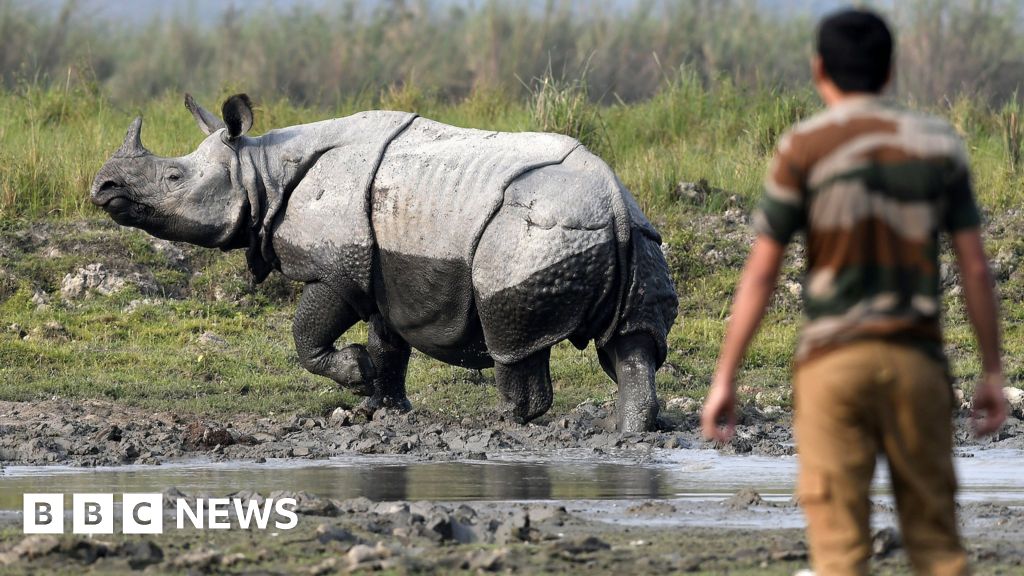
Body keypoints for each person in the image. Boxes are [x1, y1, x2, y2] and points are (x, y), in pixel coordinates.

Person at [701, 8, 1008, 576]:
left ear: (820, 69)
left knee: (839, 554)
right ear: (891, 70)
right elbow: (974, 268)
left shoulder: (803, 146)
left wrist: (726, 378)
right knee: (939, 549)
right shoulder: (939, 145)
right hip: (917, 364)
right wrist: (992, 371)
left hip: (831, 367)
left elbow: (762, 274)